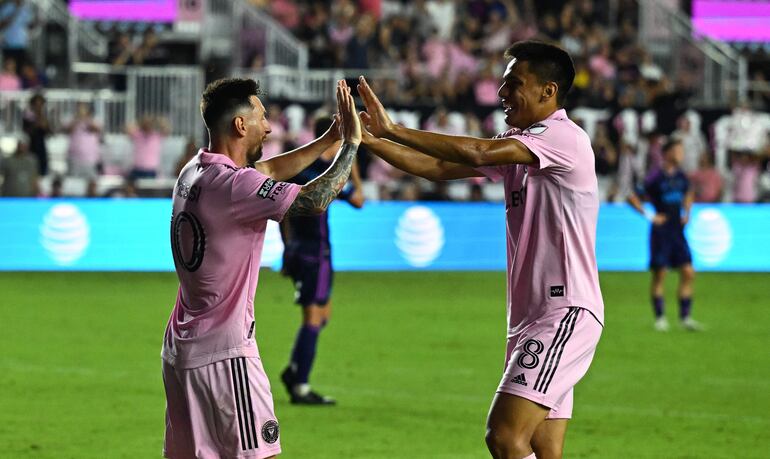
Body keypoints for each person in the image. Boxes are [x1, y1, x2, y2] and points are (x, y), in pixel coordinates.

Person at [357, 40, 604, 459]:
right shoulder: (522, 142)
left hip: (563, 313)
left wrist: (393, 128)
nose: (502, 94)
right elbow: (436, 168)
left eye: (514, 84)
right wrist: (366, 140)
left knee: (504, 437)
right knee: (543, 449)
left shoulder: (563, 138)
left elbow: (478, 150)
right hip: (531, 318)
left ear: (548, 91)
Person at [161, 78, 360, 459]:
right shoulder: (236, 186)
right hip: (225, 353)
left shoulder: (194, 172)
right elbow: (314, 200)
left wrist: (325, 142)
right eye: (262, 117)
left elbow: (267, 170)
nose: (268, 127)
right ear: (240, 125)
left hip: (181, 350)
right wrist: (351, 144)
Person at [279, 115, 365, 405]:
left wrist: (286, 246)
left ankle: (294, 371)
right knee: (314, 319)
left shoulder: (302, 170)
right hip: (315, 254)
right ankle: (300, 385)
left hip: (304, 250)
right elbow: (359, 200)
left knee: (321, 316)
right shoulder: (325, 176)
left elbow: (283, 212)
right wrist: (351, 164)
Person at [628, 139, 702, 332]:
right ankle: (660, 318)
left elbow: (689, 193)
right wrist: (651, 216)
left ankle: (685, 318)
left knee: (688, 272)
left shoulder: (681, 177)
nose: (681, 155)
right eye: (678, 150)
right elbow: (632, 196)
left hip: (678, 232)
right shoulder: (655, 176)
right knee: (660, 274)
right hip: (661, 232)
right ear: (668, 153)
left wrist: (687, 213)